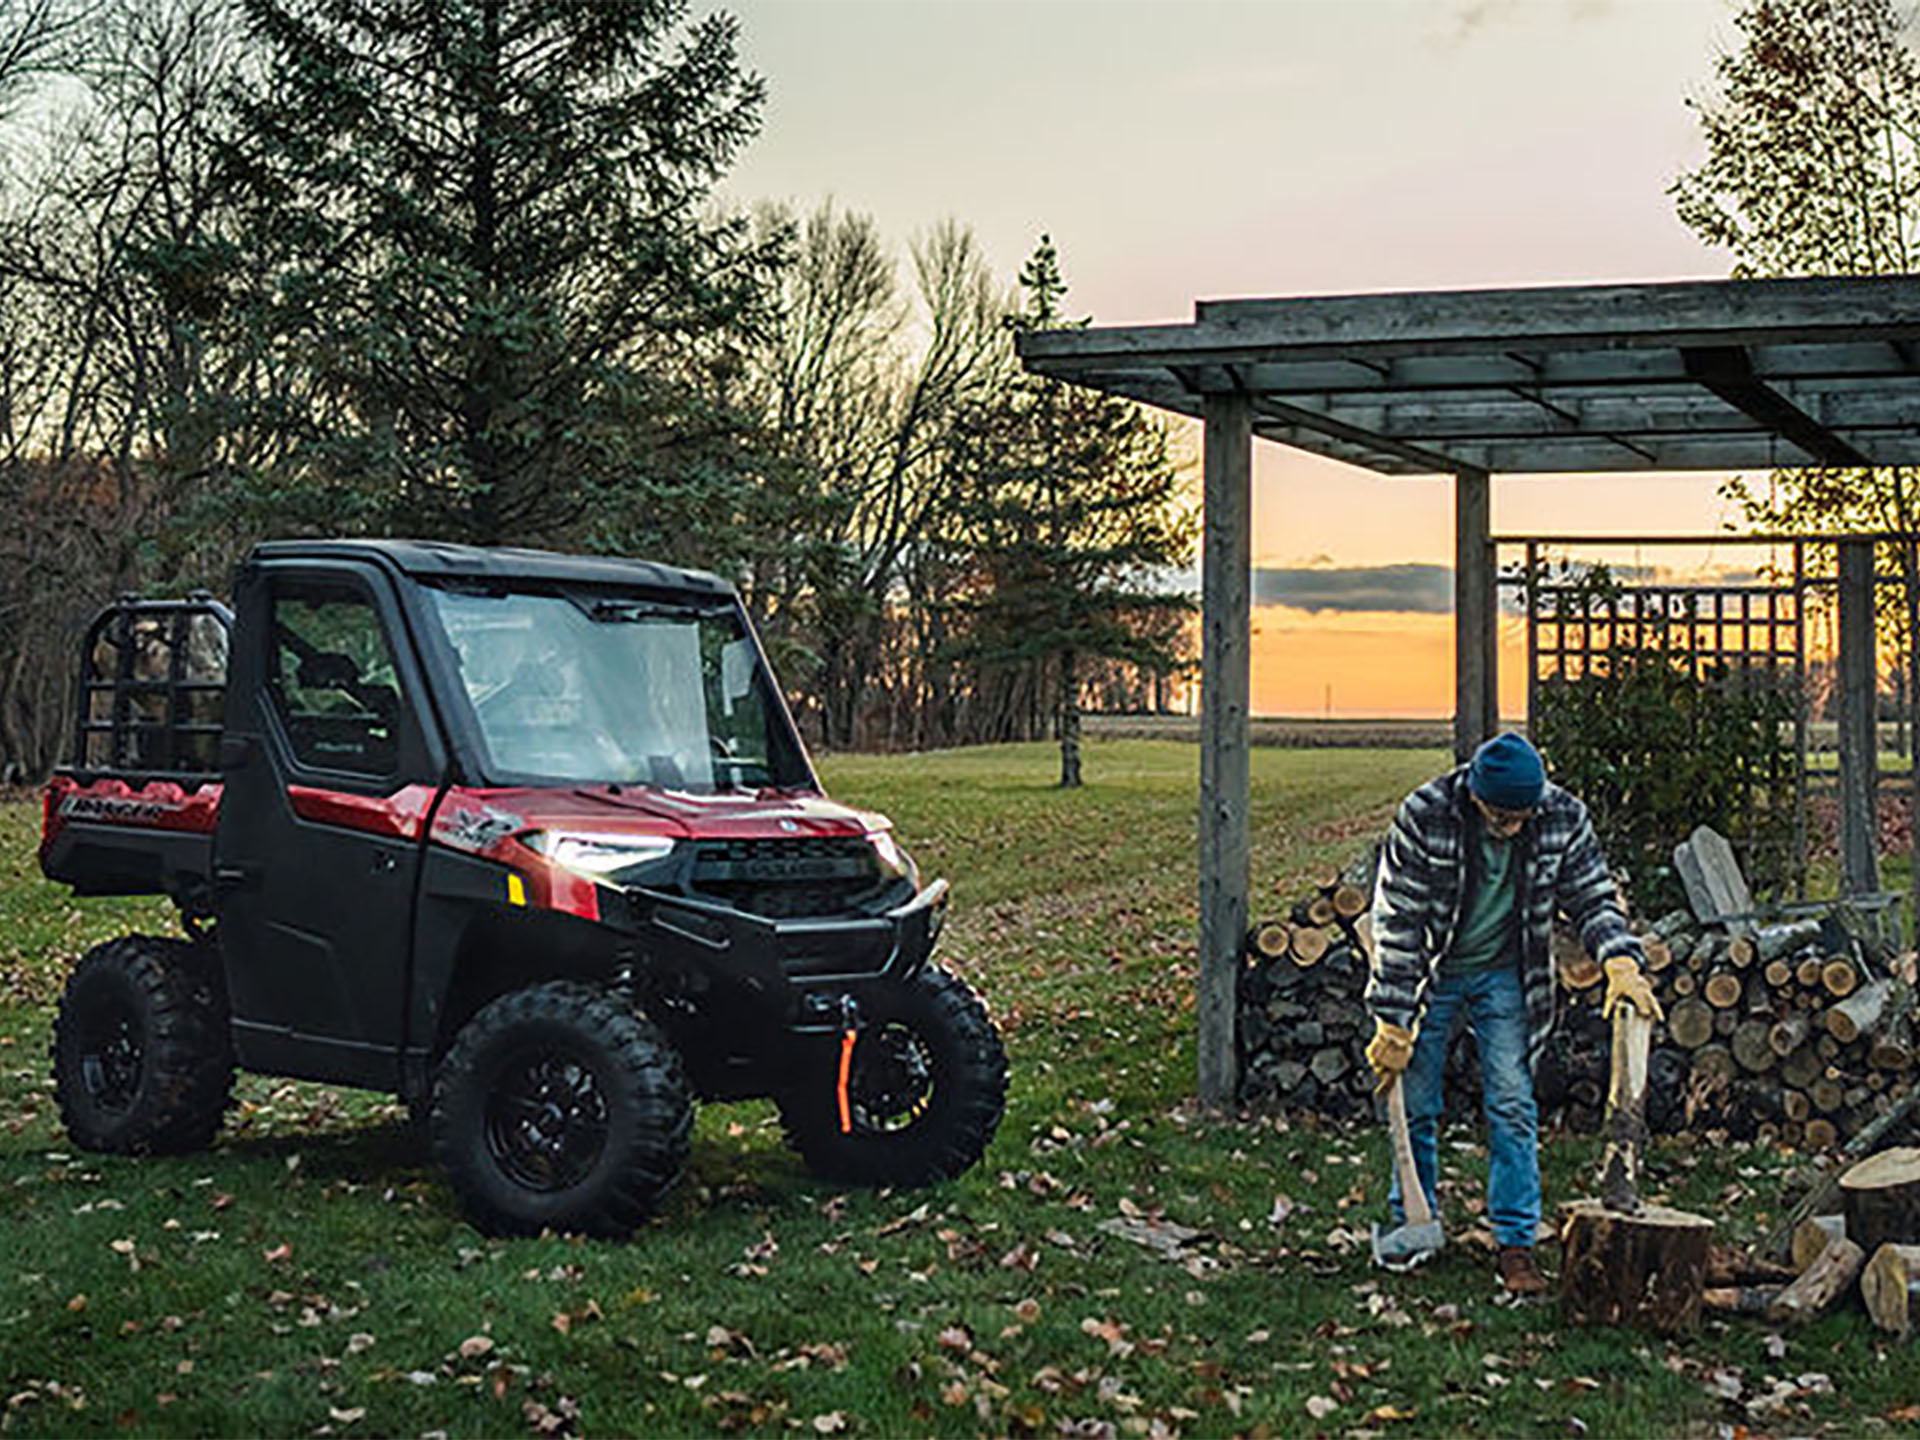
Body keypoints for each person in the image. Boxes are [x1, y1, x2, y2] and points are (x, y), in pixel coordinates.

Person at [1362, 732, 1660, 1296]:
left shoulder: (1561, 816)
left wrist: (1620, 958)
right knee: (1416, 1097)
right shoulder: (1426, 815)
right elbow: (1398, 920)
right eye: (1501, 816)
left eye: (1522, 815)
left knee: (1512, 1101)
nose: (1513, 827)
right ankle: (1415, 1219)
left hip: (1507, 972)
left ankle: (1516, 1241)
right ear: (1475, 796)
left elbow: (1593, 895)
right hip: (1435, 967)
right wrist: (1395, 1018)